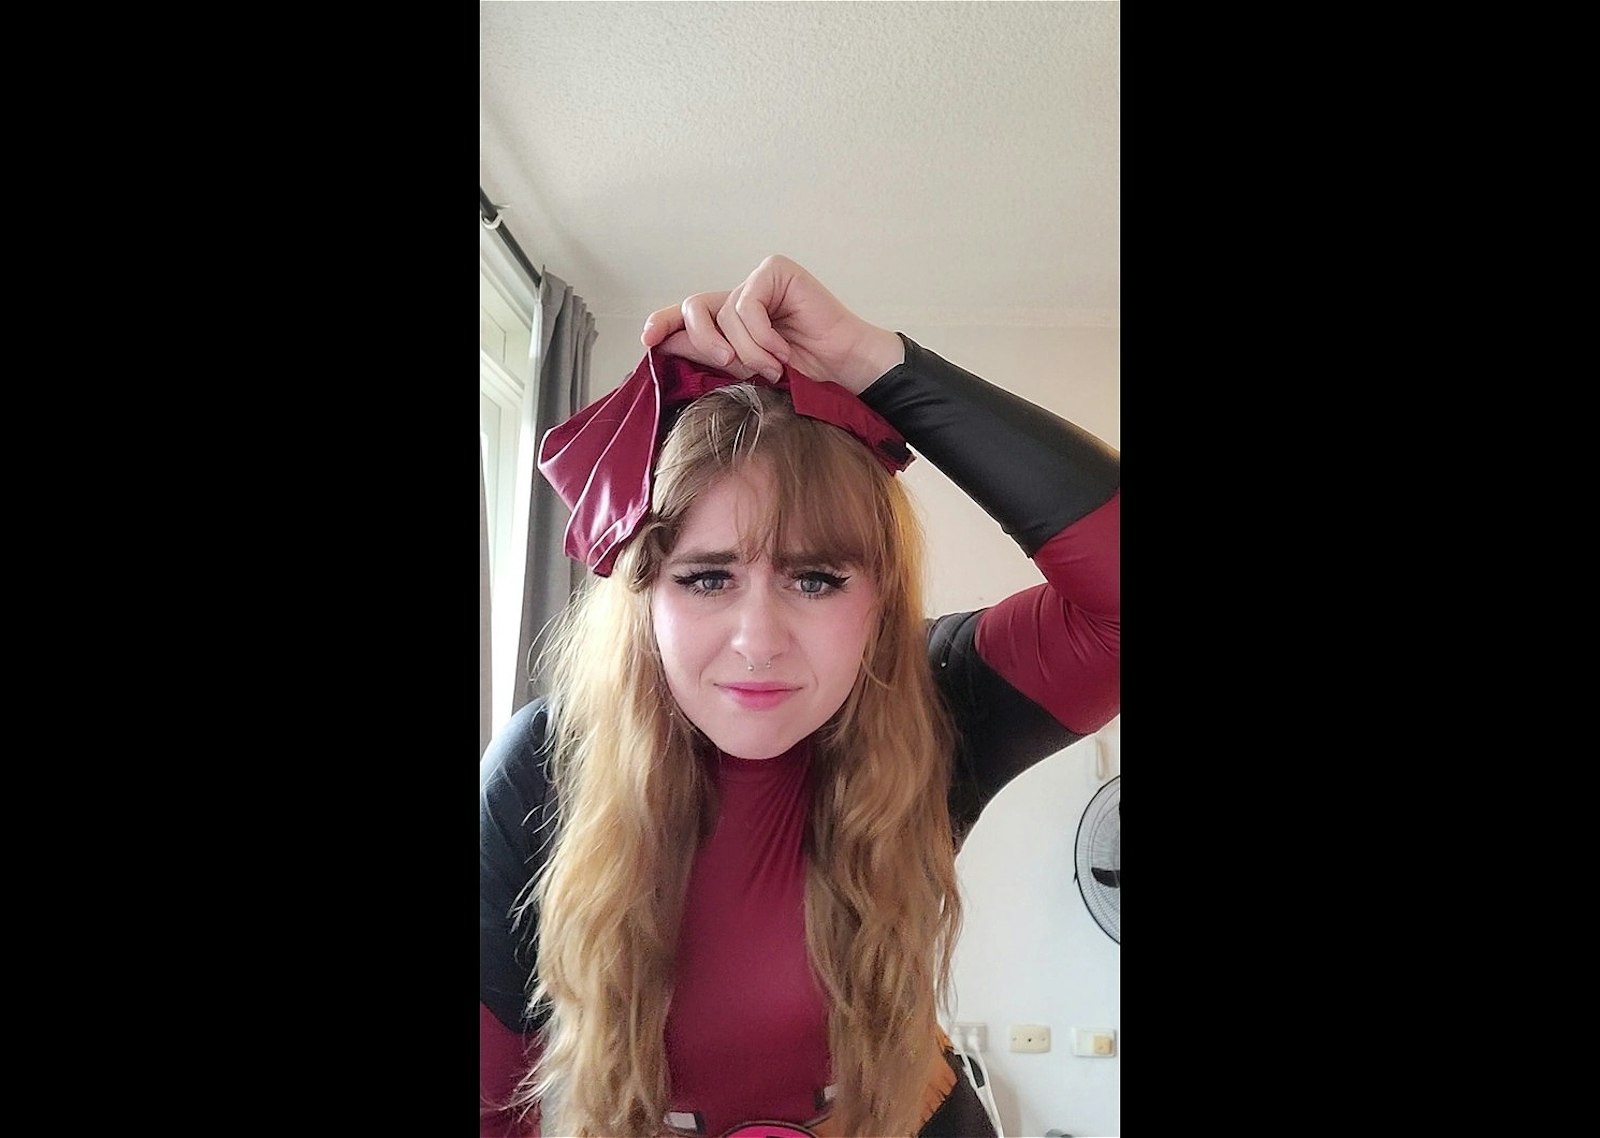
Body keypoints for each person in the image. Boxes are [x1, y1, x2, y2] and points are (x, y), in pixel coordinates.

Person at [480, 255, 1120, 1138]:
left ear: (879, 596)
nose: (759, 640)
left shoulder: (931, 706)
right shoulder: (549, 765)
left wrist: (874, 362)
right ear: (645, 596)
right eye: (707, 578)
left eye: (815, 580)